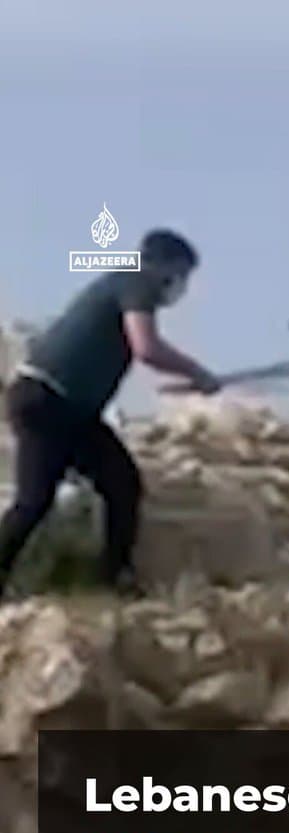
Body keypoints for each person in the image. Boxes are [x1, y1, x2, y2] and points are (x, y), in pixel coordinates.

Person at [0, 229, 221, 599]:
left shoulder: (121, 280)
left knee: (122, 484)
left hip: (70, 410)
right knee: (34, 500)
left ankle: (112, 580)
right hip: (48, 401)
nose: (178, 286)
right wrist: (197, 373)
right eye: (180, 275)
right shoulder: (138, 280)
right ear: (162, 265)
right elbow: (146, 348)